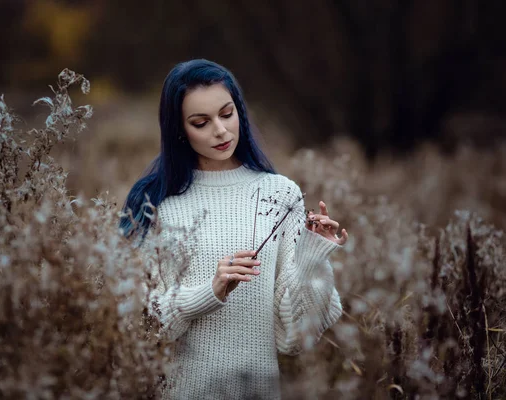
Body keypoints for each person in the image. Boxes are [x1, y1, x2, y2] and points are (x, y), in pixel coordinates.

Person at [120, 59, 348, 399]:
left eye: (227, 114)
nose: (221, 131)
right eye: (201, 122)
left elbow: (296, 336)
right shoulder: (155, 201)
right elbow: (136, 323)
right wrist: (209, 293)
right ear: (179, 129)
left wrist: (314, 253)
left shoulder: (280, 194)